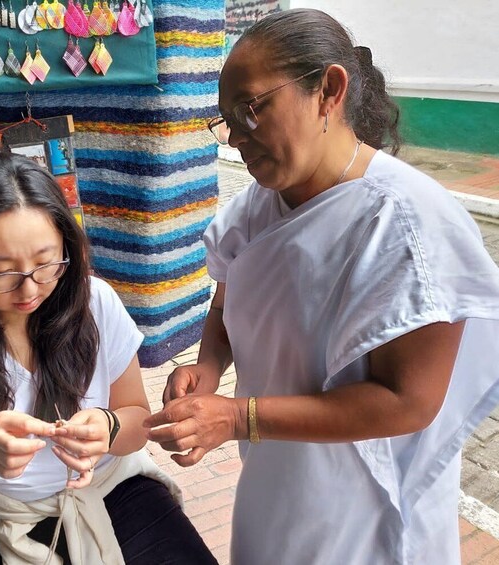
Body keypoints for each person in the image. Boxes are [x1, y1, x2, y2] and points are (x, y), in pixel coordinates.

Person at [144, 8, 499, 564]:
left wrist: (237, 417)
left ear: (328, 91)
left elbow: (408, 402)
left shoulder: (406, 223)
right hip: (276, 476)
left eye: (251, 109)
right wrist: (208, 366)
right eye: (226, 120)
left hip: (368, 500)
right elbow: (231, 294)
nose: (236, 138)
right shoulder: (258, 206)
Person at [0, 152, 216, 565]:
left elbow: (137, 420)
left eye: (46, 263)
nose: (29, 288)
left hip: (106, 484)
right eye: (1, 271)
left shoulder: (95, 302)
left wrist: (109, 427)